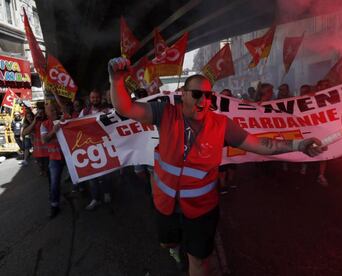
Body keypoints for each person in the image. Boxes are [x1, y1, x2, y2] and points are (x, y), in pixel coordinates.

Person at [108, 57, 326, 276]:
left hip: (201, 210)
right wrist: (116, 80)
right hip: (166, 205)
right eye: (196, 94)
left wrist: (299, 144)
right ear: (183, 95)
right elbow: (125, 108)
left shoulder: (222, 125)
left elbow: (261, 145)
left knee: (200, 261)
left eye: (208, 95)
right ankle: (174, 248)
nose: (203, 100)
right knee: (167, 243)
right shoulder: (165, 113)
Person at [79, 89, 111, 210]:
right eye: (93, 98)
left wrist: (106, 115)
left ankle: (107, 192)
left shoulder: (107, 110)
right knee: (92, 176)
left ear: (100, 98)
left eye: (97, 97)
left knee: (106, 174)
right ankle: (95, 199)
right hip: (90, 147)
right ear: (89, 99)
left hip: (105, 146)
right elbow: (76, 124)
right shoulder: (84, 111)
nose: (95, 100)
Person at [41, 102, 66, 218]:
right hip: (55, 158)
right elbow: (44, 139)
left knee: (79, 176)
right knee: (54, 183)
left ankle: (82, 191)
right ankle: (54, 205)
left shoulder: (63, 120)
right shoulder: (44, 125)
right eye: (51, 110)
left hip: (68, 156)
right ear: (46, 113)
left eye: (55, 110)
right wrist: (54, 131)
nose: (54, 112)